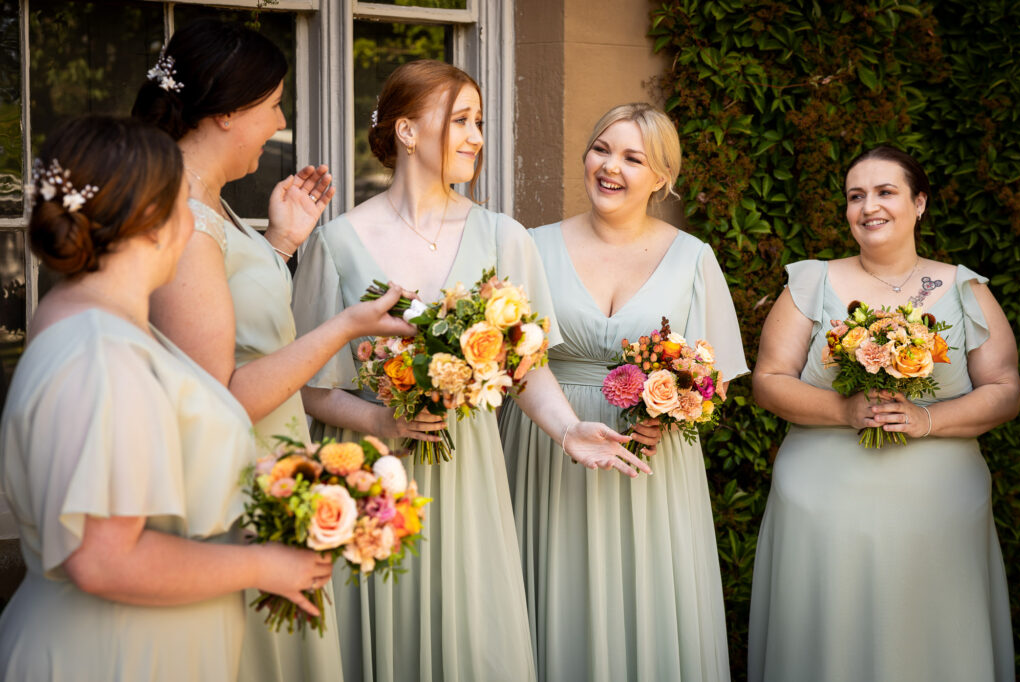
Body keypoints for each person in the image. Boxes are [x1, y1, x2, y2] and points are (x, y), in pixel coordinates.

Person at [291, 60, 651, 682]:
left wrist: (568, 430)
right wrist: (384, 420)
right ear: (406, 132)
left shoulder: (505, 238)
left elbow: (527, 368)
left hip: (470, 474)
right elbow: (312, 387)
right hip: (372, 473)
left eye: (479, 122)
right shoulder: (337, 242)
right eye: (461, 120)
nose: (477, 137)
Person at [0, 115, 333, 680]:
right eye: (183, 200)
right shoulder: (101, 353)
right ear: (154, 221)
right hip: (114, 654)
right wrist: (262, 564)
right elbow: (104, 559)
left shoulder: (85, 318)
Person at [132, 19, 414, 682]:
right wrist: (342, 327)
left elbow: (241, 326)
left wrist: (280, 245)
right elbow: (222, 395)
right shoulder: (183, 221)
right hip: (233, 494)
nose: (281, 119)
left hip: (273, 471)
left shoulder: (216, 207)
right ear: (229, 112)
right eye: (273, 104)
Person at [747, 145, 1019, 682]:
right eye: (855, 196)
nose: (868, 206)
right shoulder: (811, 283)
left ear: (919, 203)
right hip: (821, 503)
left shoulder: (964, 289)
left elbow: (1006, 390)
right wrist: (844, 409)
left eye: (885, 192)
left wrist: (928, 420)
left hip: (940, 506)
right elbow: (768, 381)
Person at [497, 103, 747, 682]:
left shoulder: (693, 259)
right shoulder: (529, 247)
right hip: (546, 452)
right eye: (602, 149)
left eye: (633, 158)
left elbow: (716, 379)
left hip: (651, 460)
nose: (610, 167)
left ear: (661, 177)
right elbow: (512, 359)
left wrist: (678, 411)